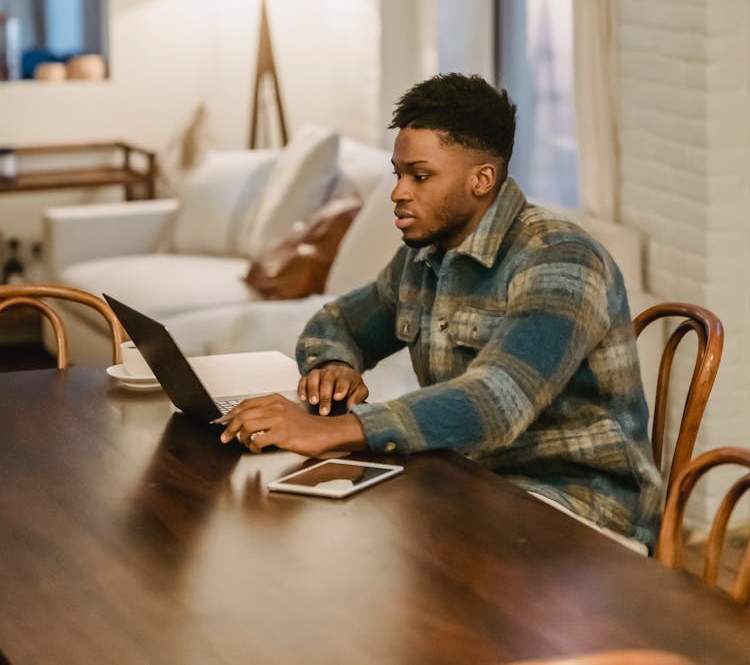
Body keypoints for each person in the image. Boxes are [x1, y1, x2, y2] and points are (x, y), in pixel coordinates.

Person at [220, 73, 662, 550]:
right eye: (398, 174)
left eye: (420, 176)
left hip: (580, 507)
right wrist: (333, 366)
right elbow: (338, 322)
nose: (398, 192)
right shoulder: (424, 256)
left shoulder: (562, 259)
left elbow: (496, 401)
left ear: (481, 179)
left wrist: (333, 430)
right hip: (472, 480)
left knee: (369, 547)